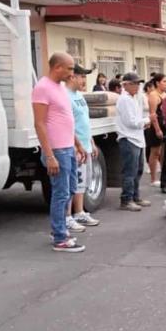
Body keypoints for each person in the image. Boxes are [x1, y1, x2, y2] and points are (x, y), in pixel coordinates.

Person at [31, 52, 87, 252]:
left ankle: (60, 229)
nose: (73, 73)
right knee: (61, 193)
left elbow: (65, 119)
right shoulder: (42, 88)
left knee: (71, 188)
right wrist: (49, 155)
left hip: (68, 148)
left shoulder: (60, 88)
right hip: (57, 150)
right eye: (70, 68)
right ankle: (60, 238)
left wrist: (78, 144)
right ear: (57, 67)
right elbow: (39, 123)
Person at [66, 63, 100, 228]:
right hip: (75, 146)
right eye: (82, 76)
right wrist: (76, 145)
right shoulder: (65, 96)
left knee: (83, 183)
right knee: (74, 183)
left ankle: (79, 213)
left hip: (85, 144)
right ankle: (69, 216)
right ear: (72, 76)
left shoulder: (79, 95)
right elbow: (67, 125)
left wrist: (91, 142)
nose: (84, 80)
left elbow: (84, 121)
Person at [115, 72, 151, 211]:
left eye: (138, 84)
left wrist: (144, 120)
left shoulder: (135, 98)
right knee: (130, 171)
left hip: (137, 138)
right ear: (126, 85)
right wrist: (147, 121)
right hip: (129, 138)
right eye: (135, 83)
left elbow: (139, 117)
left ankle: (135, 196)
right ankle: (126, 199)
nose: (138, 86)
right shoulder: (124, 100)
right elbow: (131, 122)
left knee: (138, 170)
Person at [146, 73, 166, 186]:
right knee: (155, 152)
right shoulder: (153, 95)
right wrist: (157, 129)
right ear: (157, 83)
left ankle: (165, 176)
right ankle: (153, 178)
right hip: (156, 127)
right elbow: (153, 114)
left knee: (164, 152)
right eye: (164, 81)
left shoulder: (165, 94)